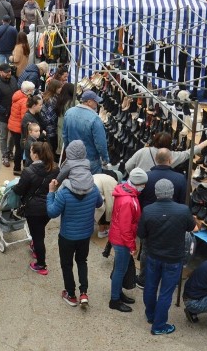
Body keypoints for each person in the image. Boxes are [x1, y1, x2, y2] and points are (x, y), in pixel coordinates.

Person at [46, 141, 103, 307]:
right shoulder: (93, 186)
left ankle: (70, 294)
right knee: (82, 261)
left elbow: (52, 212)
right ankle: (84, 292)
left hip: (67, 236)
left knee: (66, 264)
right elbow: (99, 204)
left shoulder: (64, 192)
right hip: (85, 234)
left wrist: (50, 193)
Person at [139, 179, 198, 335]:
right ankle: (159, 326)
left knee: (150, 287)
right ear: (172, 192)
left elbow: (141, 234)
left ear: (156, 193)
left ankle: (151, 315)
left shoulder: (148, 210)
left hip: (153, 256)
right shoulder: (183, 210)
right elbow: (193, 228)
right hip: (173, 258)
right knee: (165, 292)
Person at [12, 142, 58, 276]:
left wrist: (13, 187)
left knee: (38, 237)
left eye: (31, 151)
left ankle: (41, 264)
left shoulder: (28, 171)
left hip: (34, 209)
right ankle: (35, 247)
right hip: (50, 206)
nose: (29, 153)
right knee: (39, 231)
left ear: (36, 155)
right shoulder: (55, 168)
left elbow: (20, 190)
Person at [108, 168, 148, 312]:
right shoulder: (128, 200)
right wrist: (132, 246)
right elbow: (125, 227)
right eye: (143, 184)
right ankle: (114, 300)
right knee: (120, 269)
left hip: (118, 236)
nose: (144, 187)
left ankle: (118, 294)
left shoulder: (127, 193)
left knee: (121, 268)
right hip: (122, 240)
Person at [62, 90, 109, 174]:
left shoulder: (69, 113)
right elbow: (100, 143)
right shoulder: (94, 118)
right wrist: (105, 158)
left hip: (73, 158)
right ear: (89, 102)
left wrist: (69, 151)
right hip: (90, 160)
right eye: (95, 101)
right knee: (92, 184)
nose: (97, 103)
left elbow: (65, 136)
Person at [125, 131, 207, 173]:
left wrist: (135, 177)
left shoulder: (143, 151)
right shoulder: (170, 155)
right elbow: (187, 154)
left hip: (138, 184)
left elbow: (128, 166)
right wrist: (204, 144)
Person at [0, 63, 18, 166]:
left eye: (9, 71)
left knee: (13, 136)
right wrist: (4, 112)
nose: (9, 73)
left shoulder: (13, 79)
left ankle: (10, 152)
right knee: (3, 136)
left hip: (14, 114)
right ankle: (4, 155)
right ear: (1, 72)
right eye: (6, 72)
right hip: (3, 116)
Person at [7, 81, 34, 175]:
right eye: (32, 90)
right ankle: (17, 168)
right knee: (20, 149)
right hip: (18, 128)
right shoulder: (25, 101)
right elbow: (24, 117)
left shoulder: (18, 95)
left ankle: (17, 166)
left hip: (13, 125)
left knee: (17, 147)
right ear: (28, 90)